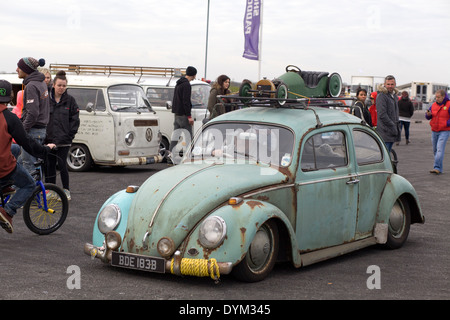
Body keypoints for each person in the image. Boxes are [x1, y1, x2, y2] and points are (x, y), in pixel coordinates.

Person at [0, 80, 55, 233]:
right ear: (9, 96)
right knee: (29, 184)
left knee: (15, 149)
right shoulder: (10, 118)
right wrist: (44, 150)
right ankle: (8, 211)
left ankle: (4, 186)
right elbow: (28, 143)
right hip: (3, 166)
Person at [45, 71, 80, 200]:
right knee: (50, 165)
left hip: (64, 141)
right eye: (59, 85)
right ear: (53, 85)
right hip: (49, 140)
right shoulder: (46, 99)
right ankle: (50, 190)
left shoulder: (70, 100)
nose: (61, 88)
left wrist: (69, 136)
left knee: (62, 165)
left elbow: (75, 120)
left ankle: (66, 190)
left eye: (64, 86)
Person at [16, 57, 50, 174]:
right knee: (22, 164)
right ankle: (34, 190)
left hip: (33, 131)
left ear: (26, 70)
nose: (16, 70)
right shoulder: (41, 82)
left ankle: (33, 192)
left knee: (29, 166)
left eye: (19, 67)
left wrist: (22, 130)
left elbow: (33, 113)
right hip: (40, 131)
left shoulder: (31, 86)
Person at [168, 66, 197, 163]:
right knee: (189, 136)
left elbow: (177, 99)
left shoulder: (178, 84)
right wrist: (189, 116)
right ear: (193, 74)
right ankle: (189, 157)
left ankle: (170, 156)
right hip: (184, 115)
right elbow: (186, 101)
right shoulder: (187, 85)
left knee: (175, 136)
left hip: (177, 114)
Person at [425, 89, 450, 175]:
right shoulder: (433, 105)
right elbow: (428, 116)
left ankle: (437, 167)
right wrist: (428, 115)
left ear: (443, 97)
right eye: (436, 97)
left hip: (444, 131)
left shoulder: (449, 104)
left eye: (438, 97)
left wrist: (446, 123)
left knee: (439, 149)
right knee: (435, 150)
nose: (437, 99)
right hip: (434, 130)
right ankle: (439, 168)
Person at [376, 75, 400, 152]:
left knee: (388, 153)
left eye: (392, 84)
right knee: (385, 154)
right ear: (384, 84)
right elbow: (382, 115)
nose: (390, 86)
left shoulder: (394, 96)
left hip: (392, 131)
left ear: (395, 84)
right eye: (388, 84)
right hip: (385, 131)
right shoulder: (381, 96)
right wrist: (392, 125)